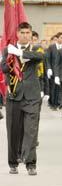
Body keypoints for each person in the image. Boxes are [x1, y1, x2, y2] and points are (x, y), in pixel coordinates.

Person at [1, 22, 44, 175]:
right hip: (14, 94)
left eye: (28, 33)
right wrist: (10, 60)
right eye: (23, 32)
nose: (25, 35)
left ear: (31, 35)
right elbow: (3, 68)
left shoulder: (35, 49)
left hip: (31, 95)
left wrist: (20, 54)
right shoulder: (8, 49)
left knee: (31, 130)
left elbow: (40, 57)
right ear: (17, 34)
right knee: (13, 130)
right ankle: (13, 162)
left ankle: (31, 163)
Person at [46, 32, 62, 111]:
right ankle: (53, 104)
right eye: (61, 37)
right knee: (53, 88)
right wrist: (49, 68)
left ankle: (60, 103)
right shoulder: (52, 47)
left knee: (61, 88)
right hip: (53, 70)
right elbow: (48, 58)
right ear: (57, 38)